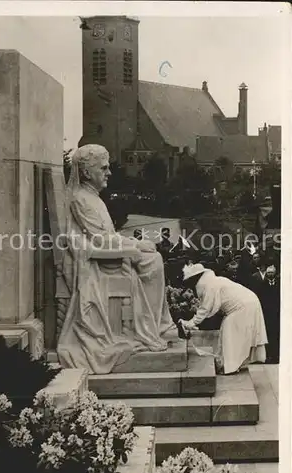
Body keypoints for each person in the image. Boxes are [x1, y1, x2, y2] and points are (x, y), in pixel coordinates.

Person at [57, 145, 180, 374]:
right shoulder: (81, 199)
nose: (109, 173)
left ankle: (157, 326)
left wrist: (135, 245)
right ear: (85, 172)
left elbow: (108, 236)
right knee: (152, 262)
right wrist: (134, 245)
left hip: (106, 257)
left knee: (152, 257)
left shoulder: (93, 199)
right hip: (98, 265)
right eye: (103, 168)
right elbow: (100, 240)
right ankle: (153, 327)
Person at [179, 263, 268, 375]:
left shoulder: (209, 285)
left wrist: (190, 323)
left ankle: (230, 367)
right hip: (248, 303)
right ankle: (233, 364)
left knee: (230, 334)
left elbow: (205, 309)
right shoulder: (212, 281)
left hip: (244, 306)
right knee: (232, 334)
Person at [257, 264, 280, 363]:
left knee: (276, 334)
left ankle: (276, 355)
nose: (270, 274)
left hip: (277, 314)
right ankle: (269, 355)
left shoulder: (280, 284)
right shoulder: (262, 285)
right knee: (268, 334)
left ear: (275, 273)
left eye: (272, 272)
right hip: (267, 314)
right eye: (268, 273)